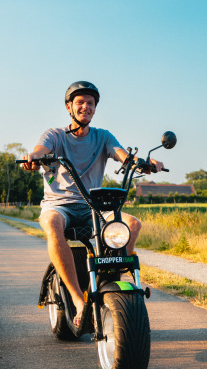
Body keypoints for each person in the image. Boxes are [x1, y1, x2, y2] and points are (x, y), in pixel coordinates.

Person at [21, 81, 163, 328]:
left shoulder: (102, 136)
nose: (85, 107)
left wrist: (144, 163)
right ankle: (78, 299)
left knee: (131, 223)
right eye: (80, 103)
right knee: (52, 223)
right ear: (69, 107)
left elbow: (123, 155)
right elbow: (39, 149)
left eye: (90, 103)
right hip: (59, 205)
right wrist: (33, 157)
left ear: (95, 108)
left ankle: (112, 281)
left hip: (92, 207)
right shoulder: (55, 135)